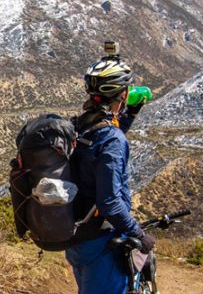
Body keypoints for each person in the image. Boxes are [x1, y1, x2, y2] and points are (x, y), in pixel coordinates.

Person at [66, 54, 153, 294]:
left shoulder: (79, 126)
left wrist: (130, 115)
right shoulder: (112, 140)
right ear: (123, 93)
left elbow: (102, 140)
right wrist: (139, 234)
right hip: (102, 242)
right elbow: (110, 203)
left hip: (78, 238)